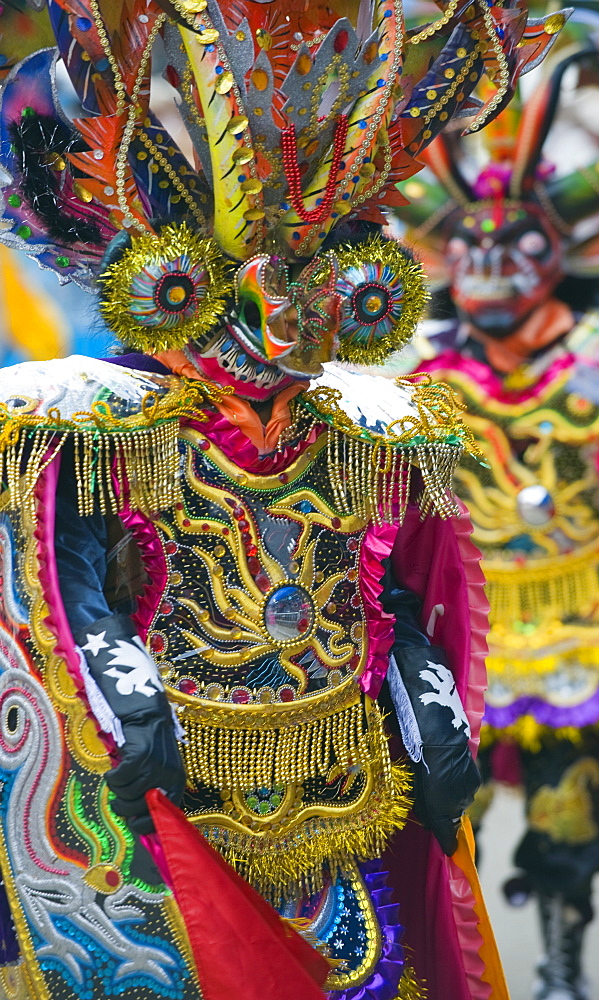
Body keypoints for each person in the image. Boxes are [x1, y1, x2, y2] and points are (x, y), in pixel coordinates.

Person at [0, 1, 568, 997]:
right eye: (244, 297)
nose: (278, 333)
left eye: (310, 295)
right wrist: (119, 697)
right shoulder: (105, 420)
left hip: (338, 794)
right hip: (173, 810)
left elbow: (384, 592)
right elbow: (64, 588)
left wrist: (426, 701)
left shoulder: (363, 425)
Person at [398, 37, 599, 1000]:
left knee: (564, 812)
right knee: (433, 804)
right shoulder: (417, 376)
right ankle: (445, 960)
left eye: (517, 248)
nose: (492, 267)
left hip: (574, 623)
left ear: (562, 257)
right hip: (447, 630)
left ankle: (558, 963)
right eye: (472, 247)